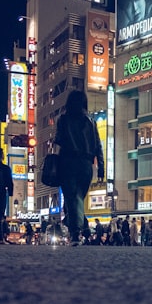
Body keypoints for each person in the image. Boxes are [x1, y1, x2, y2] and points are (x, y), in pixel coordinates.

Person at [52, 91, 103, 247]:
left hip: (68, 162)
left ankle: (76, 232)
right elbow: (98, 146)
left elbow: (58, 140)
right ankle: (82, 225)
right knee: (77, 197)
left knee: (73, 198)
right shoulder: (91, 121)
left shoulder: (63, 119)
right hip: (87, 165)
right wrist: (101, 167)